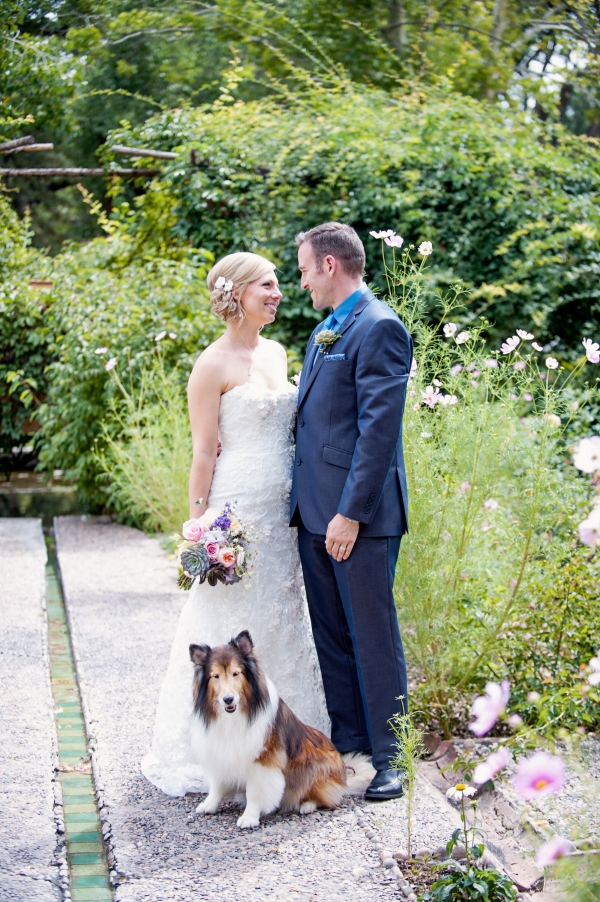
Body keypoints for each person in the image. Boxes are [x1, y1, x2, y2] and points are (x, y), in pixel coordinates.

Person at [142, 251, 329, 797]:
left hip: (283, 513)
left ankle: (288, 743)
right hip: (236, 510)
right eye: (267, 285)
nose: (277, 293)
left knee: (283, 617)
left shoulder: (276, 351)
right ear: (238, 293)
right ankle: (220, 751)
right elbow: (203, 452)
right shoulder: (211, 365)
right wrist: (198, 529)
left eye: (278, 283)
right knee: (231, 618)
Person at [290, 222, 412, 801]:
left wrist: (350, 514)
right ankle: (351, 745)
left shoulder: (381, 327)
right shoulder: (322, 332)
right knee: (332, 636)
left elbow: (378, 433)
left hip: (356, 518)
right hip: (312, 513)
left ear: (331, 266)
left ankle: (393, 757)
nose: (303, 279)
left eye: (306, 268)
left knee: (372, 635)